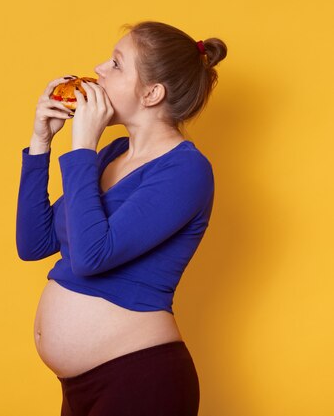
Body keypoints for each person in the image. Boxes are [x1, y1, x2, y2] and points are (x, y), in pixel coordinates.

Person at [16, 21, 227, 416]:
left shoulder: (186, 171)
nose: (98, 69)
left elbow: (93, 256)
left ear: (151, 93)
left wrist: (81, 145)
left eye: (115, 64)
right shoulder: (112, 155)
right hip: (82, 387)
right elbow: (34, 243)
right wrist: (41, 142)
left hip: (142, 382)